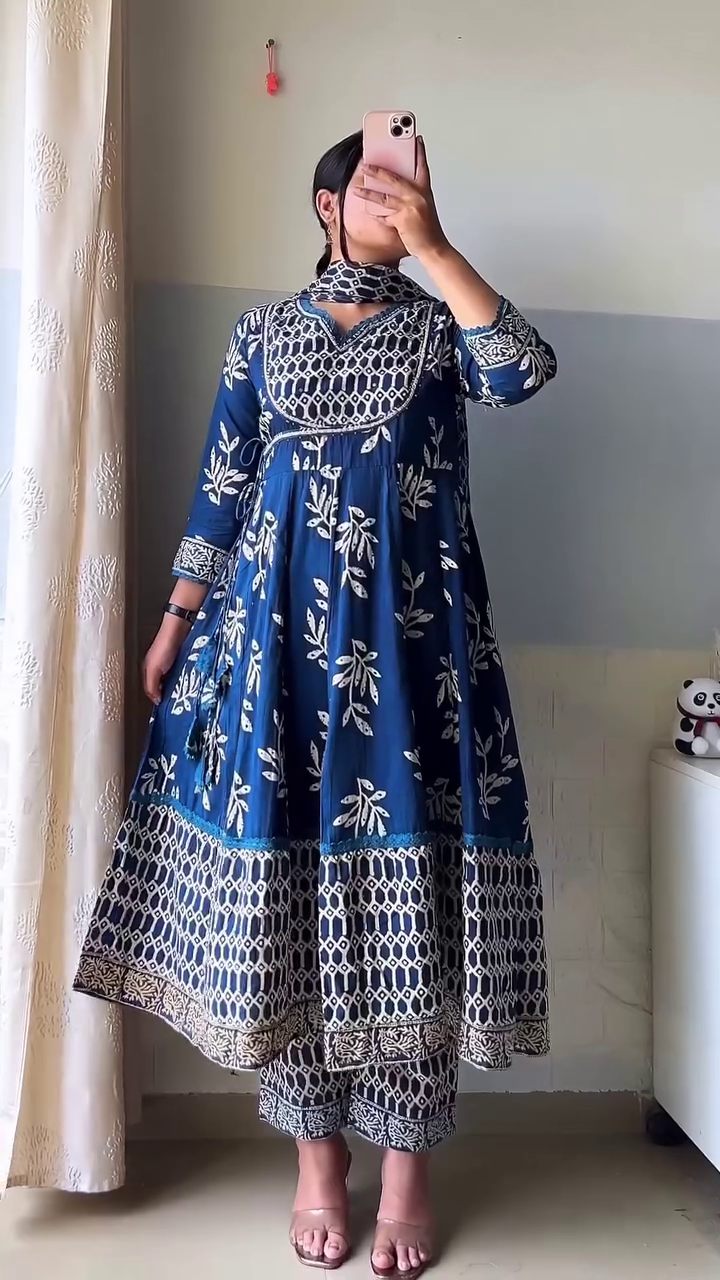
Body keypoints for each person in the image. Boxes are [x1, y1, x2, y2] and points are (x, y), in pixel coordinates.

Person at [75, 129, 556, 1277]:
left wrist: (437, 245)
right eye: (380, 188)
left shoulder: (442, 326)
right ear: (328, 204)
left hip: (414, 663)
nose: (399, 202)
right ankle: (317, 1161)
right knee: (285, 904)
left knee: (413, 908)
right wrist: (177, 618)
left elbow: (523, 370)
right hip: (272, 662)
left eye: (415, 189)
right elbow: (224, 480)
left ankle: (407, 1176)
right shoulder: (261, 334)